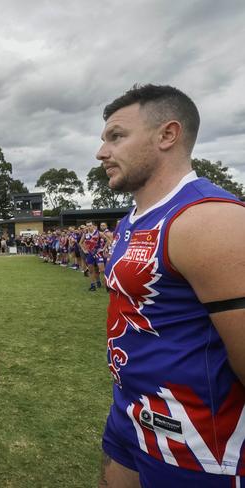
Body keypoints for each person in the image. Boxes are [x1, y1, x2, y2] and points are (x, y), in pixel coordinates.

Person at [96, 84, 245, 487]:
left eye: (117, 136)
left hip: (197, 445)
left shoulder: (209, 220)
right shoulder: (133, 219)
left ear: (167, 135)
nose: (102, 151)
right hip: (131, 410)